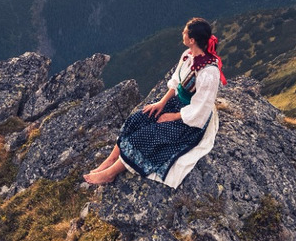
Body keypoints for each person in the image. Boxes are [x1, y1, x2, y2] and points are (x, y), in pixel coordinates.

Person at [84, 17, 226, 188]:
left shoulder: (209, 72)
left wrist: (173, 116)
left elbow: (201, 108)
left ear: (192, 40)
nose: (182, 33)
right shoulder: (187, 56)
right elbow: (176, 83)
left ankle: (110, 174)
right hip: (176, 103)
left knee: (147, 137)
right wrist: (161, 103)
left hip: (189, 118)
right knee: (138, 118)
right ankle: (111, 159)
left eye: (185, 32)